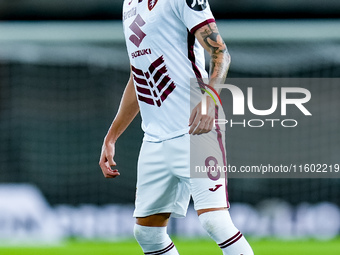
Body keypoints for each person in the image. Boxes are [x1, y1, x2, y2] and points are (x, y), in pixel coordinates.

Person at [99, 0, 254, 254]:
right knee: (147, 233)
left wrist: (210, 100)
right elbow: (137, 76)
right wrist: (112, 136)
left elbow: (221, 53)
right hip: (154, 137)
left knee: (215, 221)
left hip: (196, 130)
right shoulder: (129, 4)